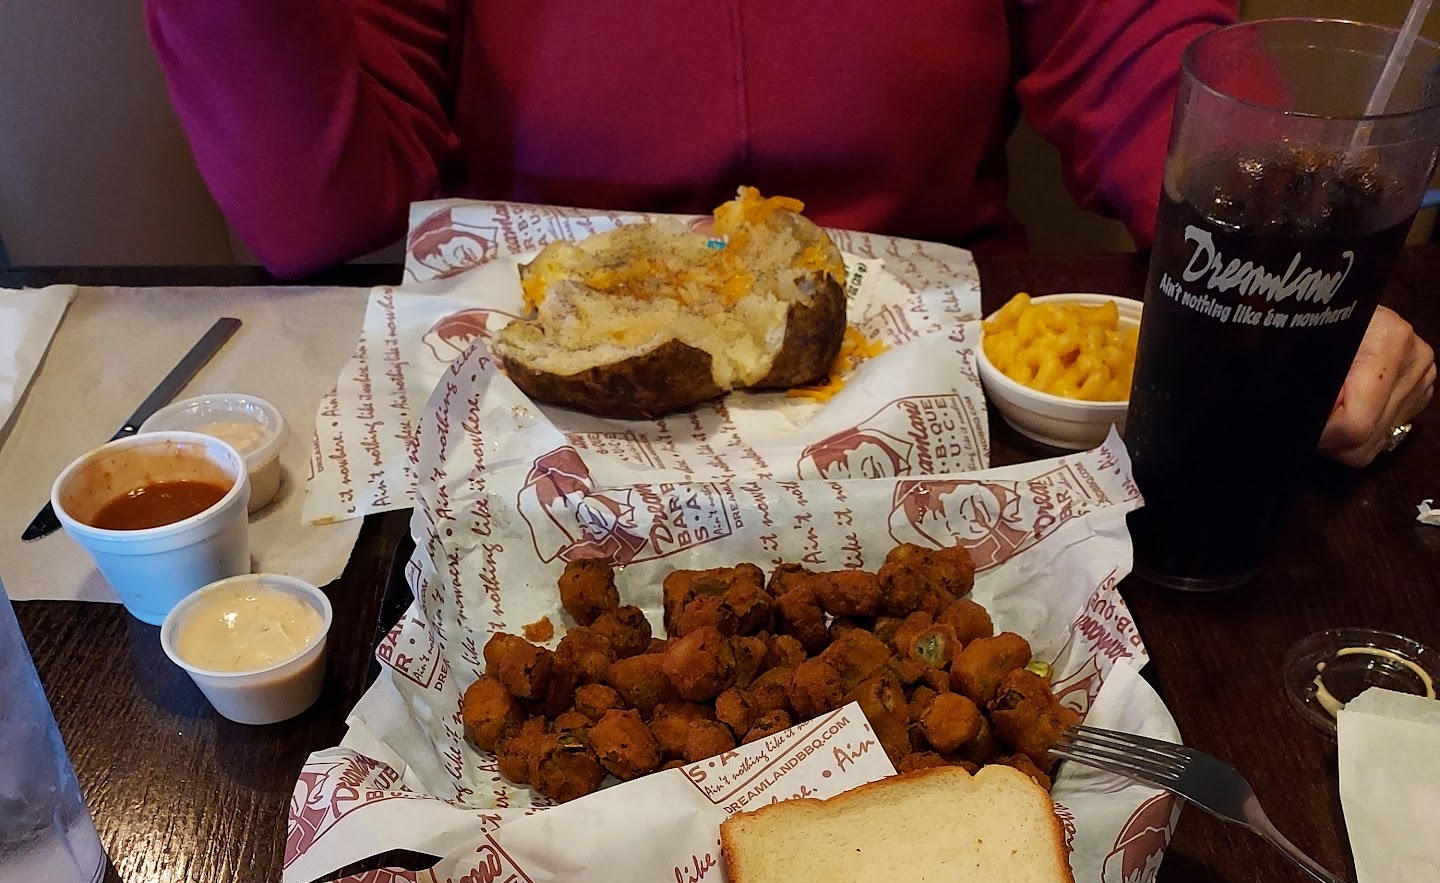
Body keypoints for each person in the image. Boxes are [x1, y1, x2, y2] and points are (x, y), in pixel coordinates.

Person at [144, 0, 1433, 465]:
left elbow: (1136, 41)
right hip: (536, 420)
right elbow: (312, 213)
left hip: (929, 383)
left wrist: (1278, 264)